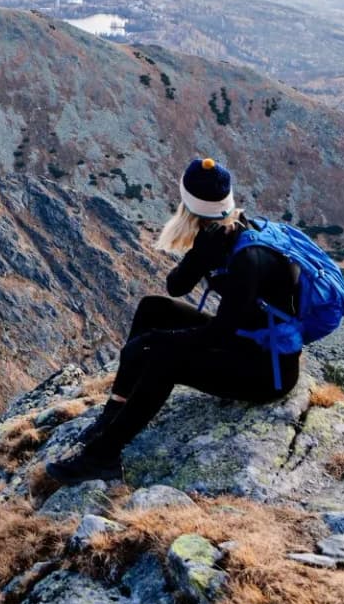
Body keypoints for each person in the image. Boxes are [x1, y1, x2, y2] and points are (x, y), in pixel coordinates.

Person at [48, 157, 303, 483]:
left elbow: (219, 334)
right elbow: (176, 286)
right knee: (153, 308)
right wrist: (201, 254)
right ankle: (113, 414)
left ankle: (103, 457)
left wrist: (153, 342)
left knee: (163, 358)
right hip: (246, 339)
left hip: (268, 372)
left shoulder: (249, 258)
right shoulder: (220, 234)